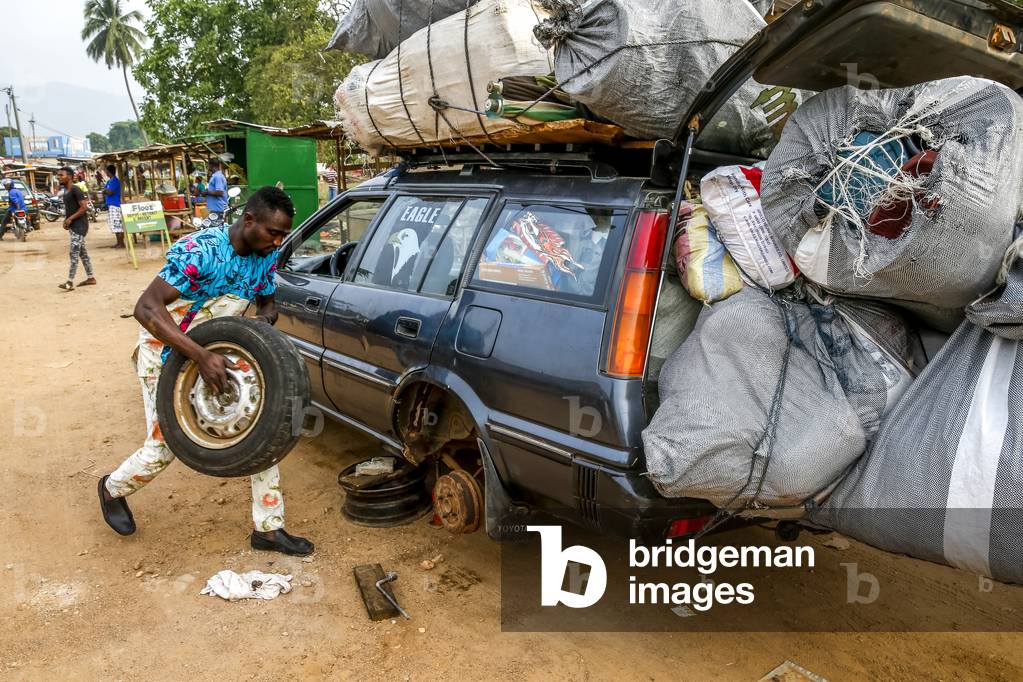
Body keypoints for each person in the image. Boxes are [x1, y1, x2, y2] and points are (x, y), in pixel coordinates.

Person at [96, 186, 313, 556]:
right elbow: (146, 309)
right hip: (166, 354)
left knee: (263, 433)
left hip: (216, 352)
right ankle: (112, 488)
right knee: (163, 448)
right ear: (249, 221)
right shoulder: (202, 251)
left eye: (283, 234)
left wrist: (259, 325)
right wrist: (199, 355)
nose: (278, 241)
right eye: (273, 232)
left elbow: (267, 301)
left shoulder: (264, 256)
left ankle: (269, 529)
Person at [57, 167, 96, 290]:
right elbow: (71, 209)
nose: (59, 177)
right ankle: (91, 278)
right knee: (82, 253)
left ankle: (69, 282)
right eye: (58, 175)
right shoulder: (66, 191)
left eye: (61, 175)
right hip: (73, 226)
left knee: (73, 253)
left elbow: (84, 208)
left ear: (69, 176)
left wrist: (70, 219)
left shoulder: (75, 190)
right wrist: (67, 221)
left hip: (80, 226)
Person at [104, 164, 125, 249]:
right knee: (114, 225)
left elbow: (109, 192)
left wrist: (104, 190)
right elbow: (106, 190)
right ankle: (118, 242)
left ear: (109, 172)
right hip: (111, 205)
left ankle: (121, 243)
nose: (105, 173)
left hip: (115, 205)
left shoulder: (114, 181)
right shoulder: (110, 181)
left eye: (106, 171)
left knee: (118, 224)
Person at [203, 159, 228, 225]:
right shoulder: (215, 176)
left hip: (218, 209)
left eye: (208, 165)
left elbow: (220, 192)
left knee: (215, 229)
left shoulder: (218, 177)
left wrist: (207, 192)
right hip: (215, 208)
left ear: (211, 165)